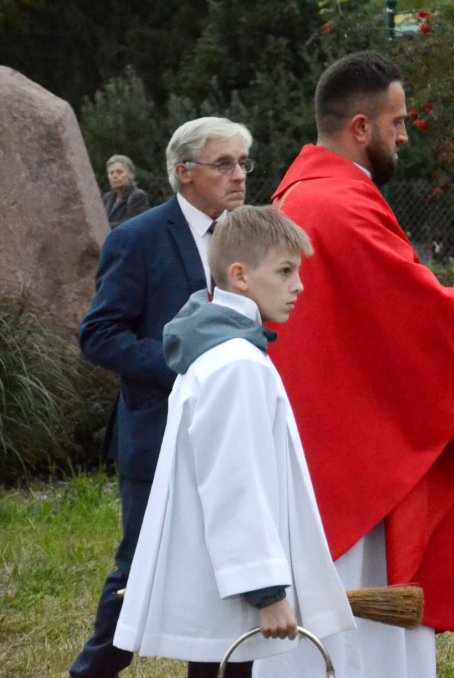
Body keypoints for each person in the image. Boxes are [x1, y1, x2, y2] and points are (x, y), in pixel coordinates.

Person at [251, 51, 454, 678]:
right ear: (360, 128)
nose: (404, 135)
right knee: (361, 646)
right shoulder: (340, 206)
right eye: (398, 122)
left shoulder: (305, 195)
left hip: (331, 438)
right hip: (355, 460)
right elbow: (416, 312)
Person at [113, 205, 355, 678]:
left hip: (220, 582)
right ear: (240, 276)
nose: (299, 285)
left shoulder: (221, 351)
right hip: (232, 591)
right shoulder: (235, 363)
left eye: (298, 271)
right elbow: (233, 484)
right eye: (285, 271)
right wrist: (266, 591)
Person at [72, 117, 253, 678]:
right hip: (159, 433)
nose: (239, 175)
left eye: (244, 162)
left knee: (232, 574)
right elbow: (99, 335)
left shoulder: (251, 233)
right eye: (223, 164)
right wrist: (185, 365)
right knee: (139, 574)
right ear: (183, 172)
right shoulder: (138, 238)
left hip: (233, 434)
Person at [102, 154, 150, 228]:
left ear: (131, 175)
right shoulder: (106, 197)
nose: (114, 176)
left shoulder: (138, 196)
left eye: (119, 172)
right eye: (111, 173)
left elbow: (132, 223)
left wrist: (102, 227)